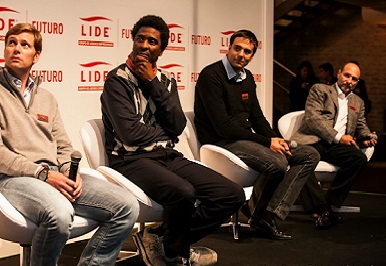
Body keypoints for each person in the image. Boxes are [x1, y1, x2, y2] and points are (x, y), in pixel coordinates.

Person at [0, 23, 139, 266]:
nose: (16, 49)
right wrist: (43, 174)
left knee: (127, 206)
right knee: (60, 214)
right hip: (9, 179)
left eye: (25, 45)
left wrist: (67, 171)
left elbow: (63, 145)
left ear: (36, 56)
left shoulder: (47, 98)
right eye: (12, 43)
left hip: (51, 174)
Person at [101, 15, 245, 266]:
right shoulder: (117, 80)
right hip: (131, 160)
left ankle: (161, 239)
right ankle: (173, 252)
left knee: (231, 194)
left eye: (152, 42)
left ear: (162, 49)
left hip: (167, 156)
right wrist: (164, 132)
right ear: (133, 41)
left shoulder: (165, 81)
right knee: (183, 192)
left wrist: (152, 83)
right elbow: (130, 135)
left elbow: (178, 126)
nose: (144, 45)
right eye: (140, 39)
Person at [194, 30, 320, 240]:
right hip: (221, 143)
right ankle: (260, 215)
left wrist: (276, 139)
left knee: (309, 154)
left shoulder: (247, 77)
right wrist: (267, 142)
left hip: (243, 139)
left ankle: (265, 212)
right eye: (238, 48)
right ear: (229, 47)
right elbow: (223, 127)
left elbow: (257, 118)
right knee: (278, 163)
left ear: (252, 56)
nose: (241, 54)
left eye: (247, 52)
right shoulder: (211, 76)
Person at [291, 61, 377, 229]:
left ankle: (328, 205)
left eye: (354, 79)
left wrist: (367, 136)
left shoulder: (358, 102)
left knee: (358, 158)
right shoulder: (320, 90)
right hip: (313, 139)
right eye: (347, 75)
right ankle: (322, 209)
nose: (349, 81)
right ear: (338, 74)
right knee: (302, 160)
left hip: (335, 147)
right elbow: (313, 119)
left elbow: (360, 125)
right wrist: (338, 137)